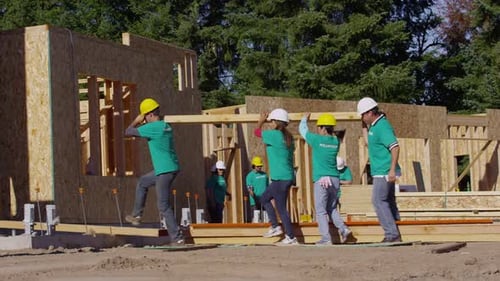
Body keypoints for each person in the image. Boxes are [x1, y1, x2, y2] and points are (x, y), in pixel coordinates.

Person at [124, 97, 184, 245]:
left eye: (145, 116)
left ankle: (177, 238)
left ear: (149, 115)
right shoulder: (165, 125)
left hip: (164, 170)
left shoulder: (153, 127)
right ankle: (137, 215)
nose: (145, 120)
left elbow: (128, 131)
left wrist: (137, 120)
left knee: (163, 205)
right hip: (167, 168)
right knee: (143, 182)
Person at [299, 113, 352, 245]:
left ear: (323, 128)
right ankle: (343, 229)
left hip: (322, 179)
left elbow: (302, 130)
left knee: (321, 210)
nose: (317, 129)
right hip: (334, 179)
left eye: (318, 127)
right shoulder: (336, 142)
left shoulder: (317, 140)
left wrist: (305, 118)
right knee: (332, 208)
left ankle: (326, 238)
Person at [358, 97, 402, 243]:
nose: (362, 118)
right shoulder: (374, 127)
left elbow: (394, 147)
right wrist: (363, 125)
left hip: (384, 171)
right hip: (382, 170)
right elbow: (367, 142)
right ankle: (397, 229)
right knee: (388, 200)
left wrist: (391, 171)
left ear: (370, 113)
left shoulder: (382, 126)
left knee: (378, 200)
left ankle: (391, 234)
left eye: (363, 115)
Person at [255, 108, 298, 245]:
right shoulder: (289, 138)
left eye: (272, 121)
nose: (271, 123)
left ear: (276, 122)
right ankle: (287, 235)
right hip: (287, 177)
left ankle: (278, 229)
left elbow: (256, 132)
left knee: (265, 198)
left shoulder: (274, 135)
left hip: (280, 178)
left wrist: (260, 122)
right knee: (278, 205)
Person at [245, 156, 269, 223]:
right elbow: (250, 189)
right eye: (258, 166)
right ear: (253, 166)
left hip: (264, 200)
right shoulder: (250, 176)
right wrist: (255, 198)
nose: (259, 167)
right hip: (255, 201)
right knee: (256, 219)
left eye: (260, 166)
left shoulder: (264, 175)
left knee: (266, 218)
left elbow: (268, 187)